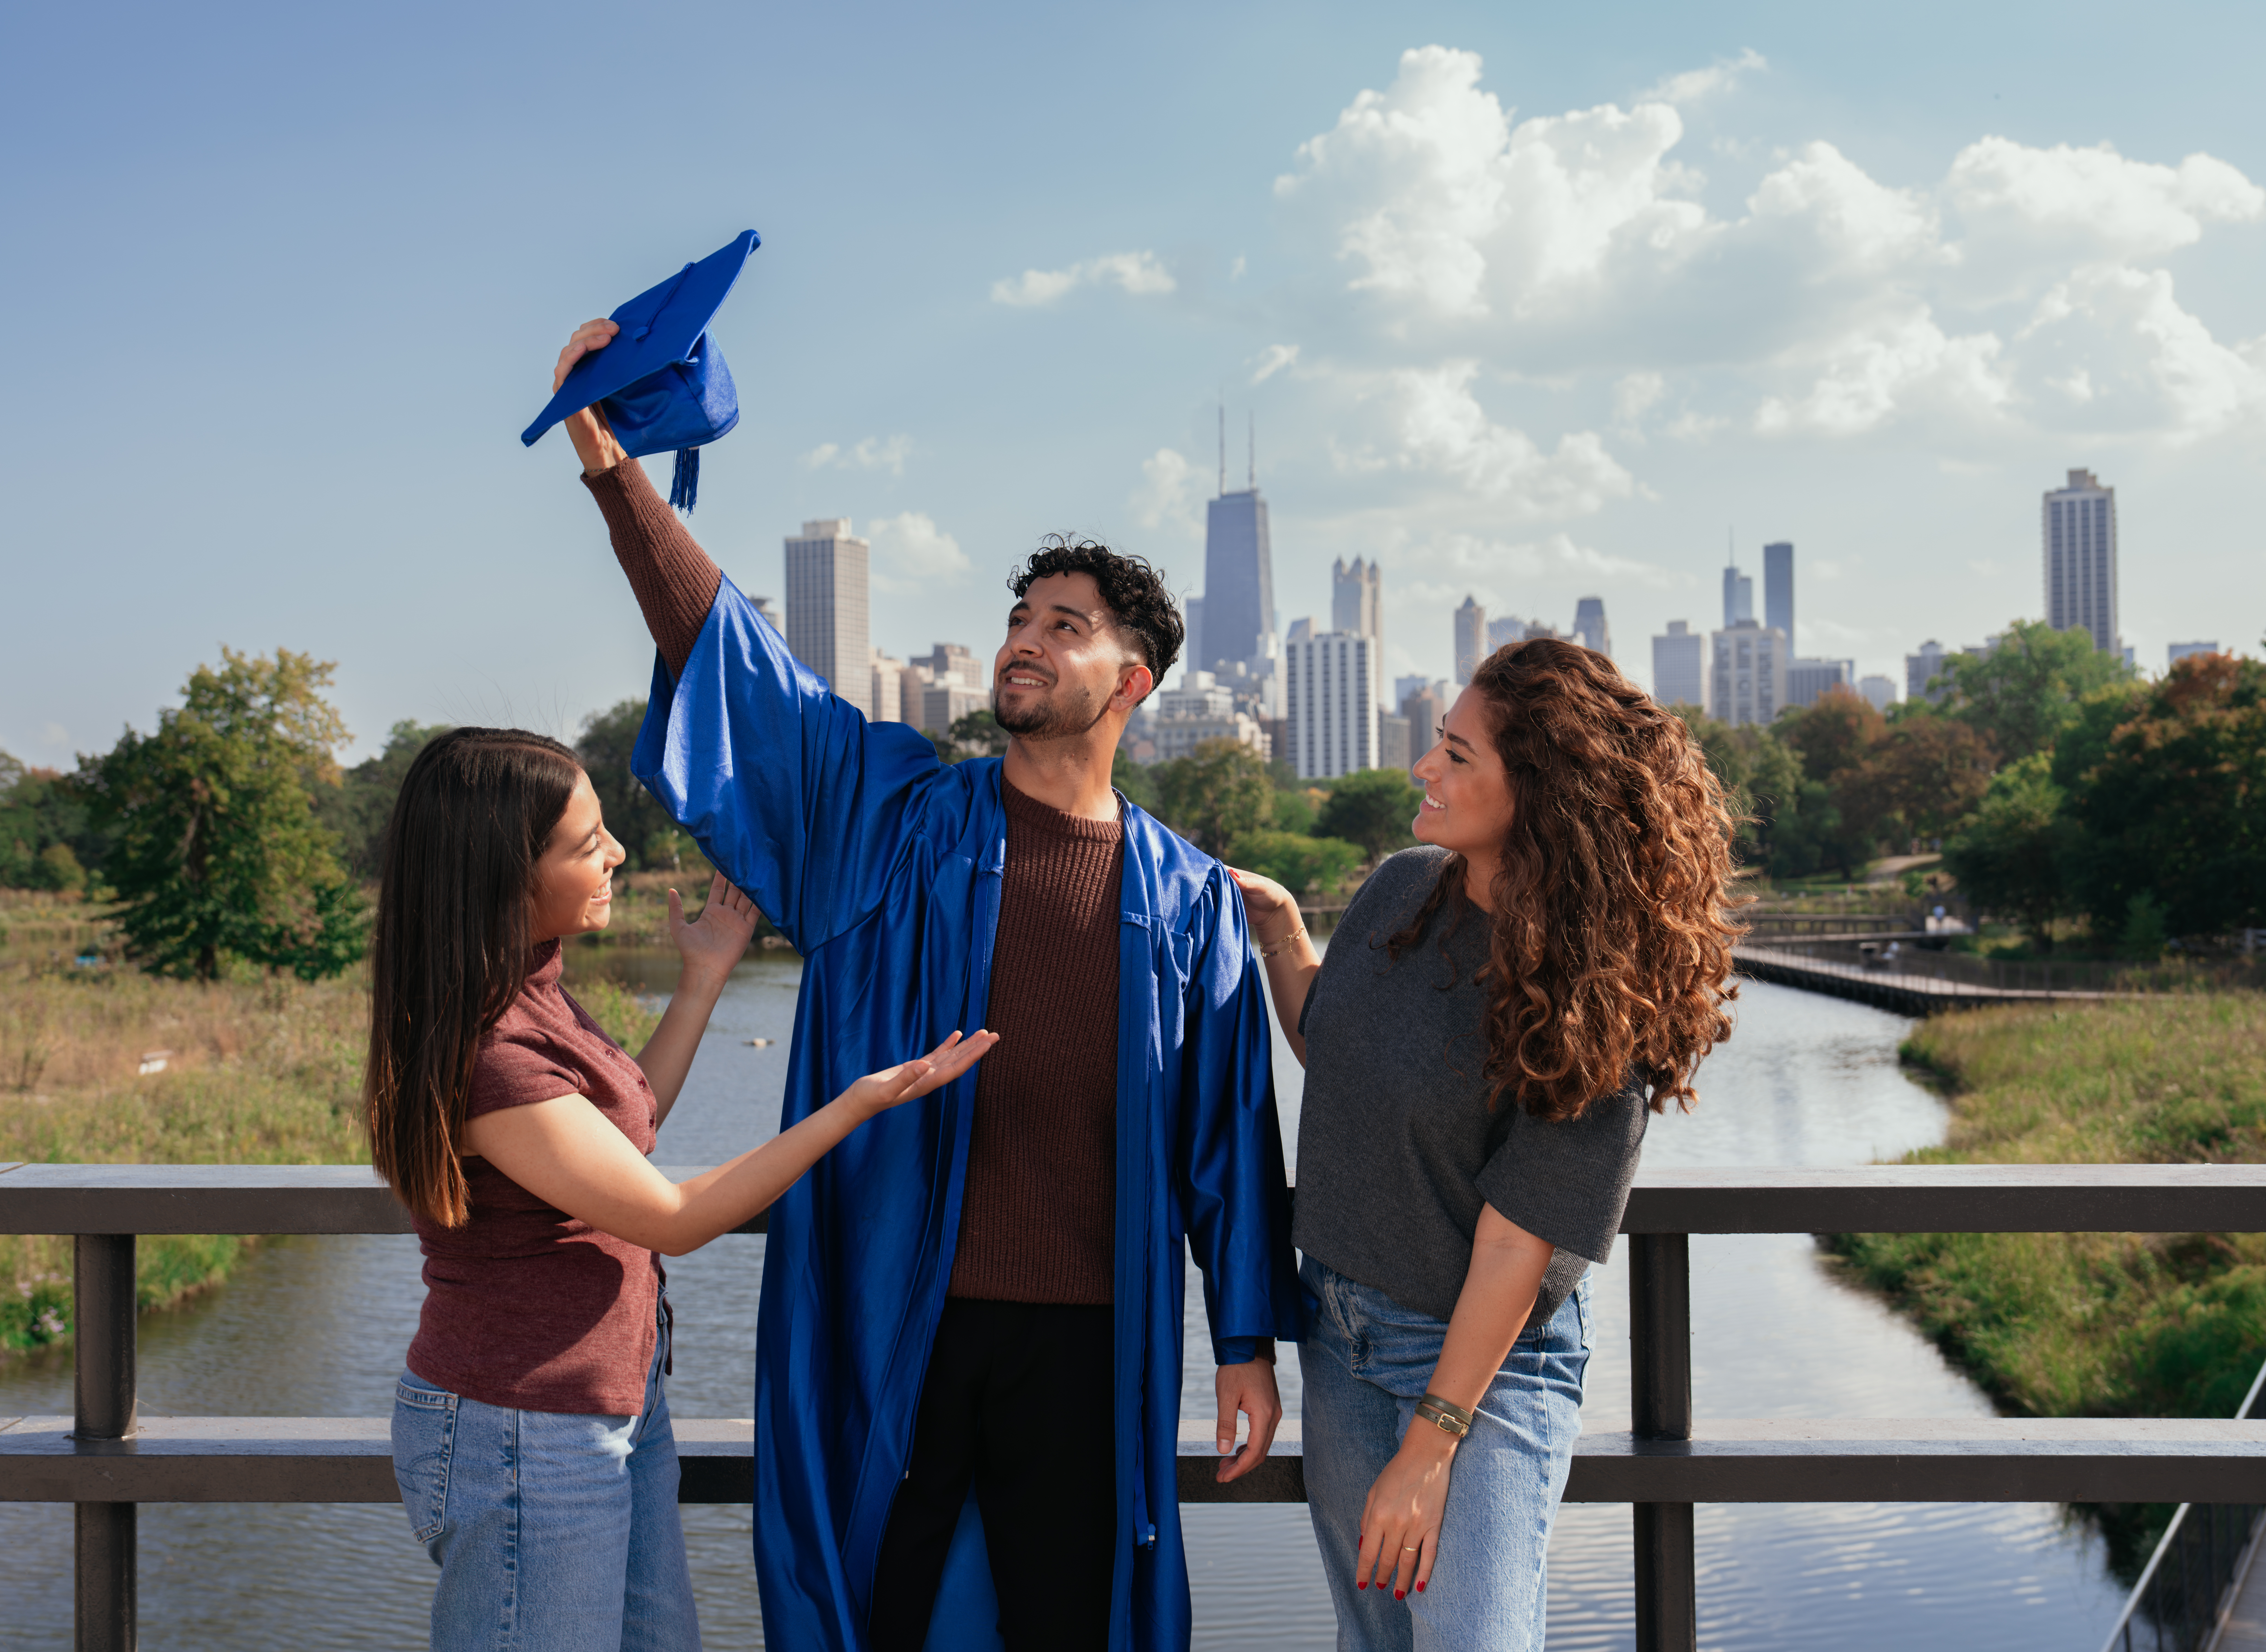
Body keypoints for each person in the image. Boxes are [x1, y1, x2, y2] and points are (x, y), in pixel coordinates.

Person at [551, 317, 1304, 1652]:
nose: (1023, 639)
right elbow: (744, 675)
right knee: (879, 1611)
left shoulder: (1191, 901)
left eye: (1062, 626)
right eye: (1018, 617)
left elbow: (1229, 1150)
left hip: (1087, 1342)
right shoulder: (893, 820)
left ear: (1129, 680)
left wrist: (1244, 1338)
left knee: (1070, 1622)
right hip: (900, 1312)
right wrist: (613, 466)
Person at [367, 726, 997, 1652]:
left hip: (609, 1405)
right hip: (522, 1433)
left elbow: (623, 1129)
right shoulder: (492, 1050)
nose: (618, 850)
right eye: (588, 844)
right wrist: (856, 1103)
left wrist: (703, 977)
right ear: (505, 873)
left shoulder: (532, 988)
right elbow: (671, 1216)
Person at [1230, 638, 1739, 1651]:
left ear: (1544, 797)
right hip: (1338, 1333)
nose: (1426, 767)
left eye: (1459, 755)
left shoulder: (1600, 995)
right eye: (1438, 744)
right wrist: (1284, 931)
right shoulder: (1404, 887)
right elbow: (1337, 1042)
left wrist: (1431, 1446)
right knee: (1375, 1644)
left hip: (1483, 1368)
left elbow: (1517, 1250)